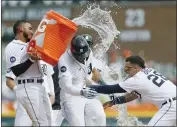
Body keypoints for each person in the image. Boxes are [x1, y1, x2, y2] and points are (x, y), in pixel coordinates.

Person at [88, 55, 176, 126]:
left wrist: (91, 85)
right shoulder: (150, 70)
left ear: (136, 68)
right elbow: (135, 94)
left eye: (128, 68)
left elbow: (110, 89)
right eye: (125, 68)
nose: (126, 71)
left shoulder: (137, 79)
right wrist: (114, 102)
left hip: (171, 105)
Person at [4, 20, 51, 126]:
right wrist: (31, 60)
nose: (32, 31)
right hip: (27, 86)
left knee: (44, 123)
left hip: (39, 87)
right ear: (21, 29)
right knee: (41, 123)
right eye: (29, 28)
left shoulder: (32, 45)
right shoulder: (13, 47)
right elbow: (14, 72)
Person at [57, 35, 106, 126]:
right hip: (71, 96)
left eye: (84, 54)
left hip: (86, 91)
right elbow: (67, 87)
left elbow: (92, 73)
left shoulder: (89, 53)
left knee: (100, 116)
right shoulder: (64, 60)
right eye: (79, 56)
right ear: (73, 52)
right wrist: (82, 92)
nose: (83, 57)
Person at [14, 60, 55, 126]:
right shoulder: (22, 55)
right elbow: (10, 79)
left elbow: (49, 76)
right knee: (24, 124)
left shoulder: (46, 58)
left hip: (44, 94)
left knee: (48, 123)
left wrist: (52, 94)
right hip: (28, 92)